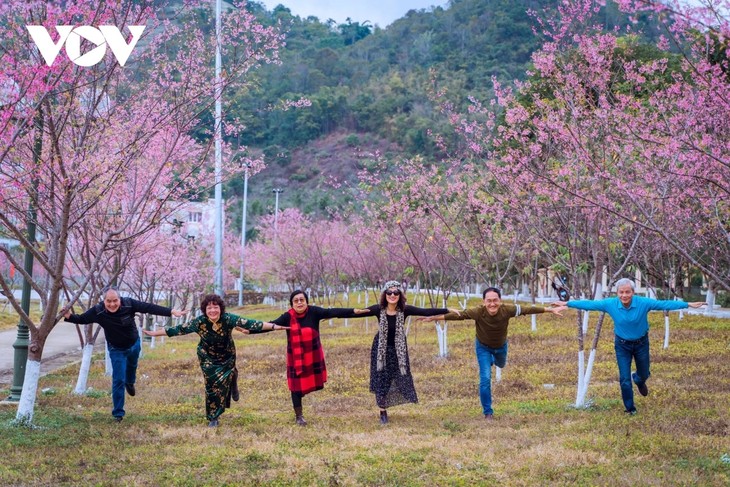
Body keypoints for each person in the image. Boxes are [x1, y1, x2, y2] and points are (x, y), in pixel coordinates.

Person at [554, 278, 705, 415]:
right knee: (624, 379)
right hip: (622, 346)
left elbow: (663, 304)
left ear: (633, 292)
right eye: (621, 292)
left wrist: (687, 304)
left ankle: (639, 380)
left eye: (627, 292)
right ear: (617, 293)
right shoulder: (610, 304)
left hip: (641, 344)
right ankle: (630, 409)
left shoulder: (643, 303)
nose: (624, 295)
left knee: (644, 373)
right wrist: (568, 304)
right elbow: (590, 304)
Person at [419, 286, 564, 420]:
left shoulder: (507, 310)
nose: (492, 304)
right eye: (489, 301)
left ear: (500, 301)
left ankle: (493, 361)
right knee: (485, 379)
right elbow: (459, 315)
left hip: (501, 347)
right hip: (483, 347)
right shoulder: (478, 311)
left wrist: (549, 310)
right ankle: (488, 412)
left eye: (495, 300)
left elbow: (527, 309)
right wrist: (434, 317)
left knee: (501, 364)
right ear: (484, 302)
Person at [143, 293, 285, 427]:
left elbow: (252, 324)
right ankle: (213, 417)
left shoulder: (228, 319)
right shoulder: (199, 322)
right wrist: (154, 333)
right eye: (209, 308)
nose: (212, 310)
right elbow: (177, 330)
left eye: (215, 307)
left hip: (227, 355)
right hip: (207, 356)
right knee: (212, 386)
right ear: (205, 310)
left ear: (220, 309)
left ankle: (232, 378)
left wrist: (274, 326)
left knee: (223, 383)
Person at [63, 286, 186, 422]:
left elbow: (149, 307)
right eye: (108, 301)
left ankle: (130, 382)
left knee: (132, 366)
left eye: (115, 300)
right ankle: (118, 414)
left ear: (119, 299)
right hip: (116, 349)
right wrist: (69, 316)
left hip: (134, 344)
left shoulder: (129, 304)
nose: (112, 304)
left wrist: (171, 311)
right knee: (118, 379)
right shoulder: (98, 311)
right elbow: (82, 319)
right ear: (104, 301)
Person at [352, 280, 448, 425]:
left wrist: (448, 310)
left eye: (396, 292)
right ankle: (382, 411)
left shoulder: (405, 310)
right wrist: (340, 313)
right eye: (389, 292)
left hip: (398, 350)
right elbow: (358, 312)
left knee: (397, 376)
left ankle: (388, 402)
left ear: (400, 295)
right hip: (381, 350)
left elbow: (425, 311)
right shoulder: (378, 309)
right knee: (381, 378)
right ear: (385, 294)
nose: (392, 295)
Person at [269, 290, 359, 426]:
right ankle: (299, 416)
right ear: (292, 304)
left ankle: (302, 402)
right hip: (296, 358)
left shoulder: (314, 312)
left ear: (306, 301)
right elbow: (271, 325)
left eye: (302, 300)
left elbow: (333, 312)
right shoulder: (288, 317)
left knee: (305, 385)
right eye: (296, 300)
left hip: (312, 356)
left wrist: (354, 310)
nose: (299, 302)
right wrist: (250, 329)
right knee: (295, 387)